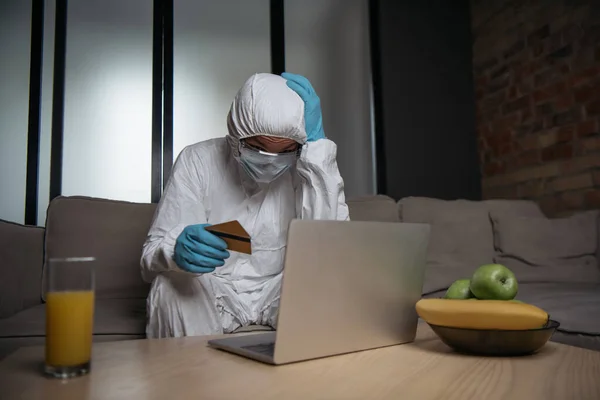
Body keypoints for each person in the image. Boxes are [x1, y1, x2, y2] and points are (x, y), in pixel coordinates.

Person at [140, 72, 349, 338]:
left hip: (279, 289)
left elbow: (332, 249)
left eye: (285, 150)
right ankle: (192, 376)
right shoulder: (198, 160)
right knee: (170, 285)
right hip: (214, 289)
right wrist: (173, 249)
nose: (272, 161)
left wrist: (318, 151)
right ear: (236, 136)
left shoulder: (305, 166)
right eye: (258, 147)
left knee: (328, 286)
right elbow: (149, 259)